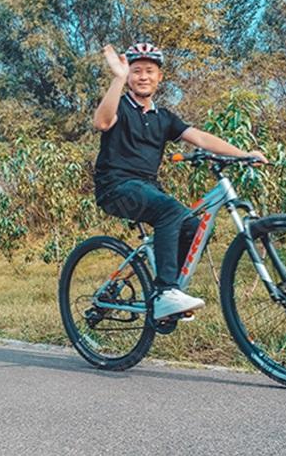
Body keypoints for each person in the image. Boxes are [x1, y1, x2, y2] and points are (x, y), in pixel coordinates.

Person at [92, 42, 267, 319]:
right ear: (129, 77)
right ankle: (166, 292)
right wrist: (117, 78)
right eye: (136, 71)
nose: (143, 76)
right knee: (170, 210)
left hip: (148, 187)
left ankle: (167, 291)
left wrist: (243, 154)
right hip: (116, 186)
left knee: (193, 226)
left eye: (150, 71)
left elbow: (201, 139)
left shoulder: (164, 117)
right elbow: (102, 122)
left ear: (160, 77)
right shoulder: (121, 106)